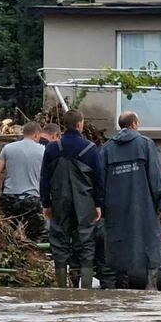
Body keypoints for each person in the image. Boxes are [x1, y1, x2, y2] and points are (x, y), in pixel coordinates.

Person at [103, 111, 161, 290]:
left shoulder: (107, 148)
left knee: (118, 243)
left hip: (115, 206)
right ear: (134, 124)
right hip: (144, 205)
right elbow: (155, 177)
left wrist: (102, 206)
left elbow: (101, 180)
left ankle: (119, 287)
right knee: (150, 243)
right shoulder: (146, 144)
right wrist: (160, 202)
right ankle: (150, 285)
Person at [40, 109, 104, 288]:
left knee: (59, 244)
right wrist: (98, 204)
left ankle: (62, 289)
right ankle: (85, 292)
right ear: (79, 125)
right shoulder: (91, 150)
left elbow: (44, 178)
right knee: (86, 244)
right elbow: (99, 179)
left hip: (59, 202)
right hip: (85, 203)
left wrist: (46, 203)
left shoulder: (52, 148)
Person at [0, 122, 47, 242]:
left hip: (9, 199)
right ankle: (34, 257)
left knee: (4, 237)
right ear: (36, 135)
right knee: (37, 238)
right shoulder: (44, 151)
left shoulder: (8, 148)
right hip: (32, 200)